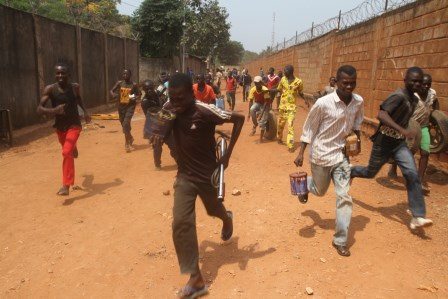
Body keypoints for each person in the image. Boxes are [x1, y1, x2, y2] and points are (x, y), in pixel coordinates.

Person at [164, 74, 244, 298]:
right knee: (181, 221)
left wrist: (227, 155)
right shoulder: (168, 107)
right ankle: (195, 278)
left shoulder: (205, 110)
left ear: (191, 94)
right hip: (185, 177)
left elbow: (238, 119)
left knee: (213, 209)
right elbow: (157, 131)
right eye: (172, 98)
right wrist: (169, 142)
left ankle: (226, 217)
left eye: (180, 98)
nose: (176, 103)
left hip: (207, 175)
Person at [351, 67, 433, 230]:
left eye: (419, 81)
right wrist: (402, 130)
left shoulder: (414, 100)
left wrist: (405, 134)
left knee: (411, 174)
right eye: (413, 81)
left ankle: (417, 216)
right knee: (370, 172)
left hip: (399, 144)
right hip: (384, 142)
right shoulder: (399, 96)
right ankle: (352, 171)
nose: (416, 84)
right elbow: (381, 115)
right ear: (405, 80)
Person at [294, 65, 364, 257]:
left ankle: (340, 240)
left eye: (352, 83)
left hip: (341, 156)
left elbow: (357, 123)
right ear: (337, 83)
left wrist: (356, 143)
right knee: (320, 190)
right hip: (321, 155)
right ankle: (304, 185)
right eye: (345, 83)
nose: (349, 87)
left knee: (344, 196)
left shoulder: (358, 101)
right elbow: (309, 128)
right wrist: (301, 153)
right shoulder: (323, 103)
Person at [37, 62, 91, 196]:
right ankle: (73, 147)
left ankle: (66, 185)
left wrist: (85, 112)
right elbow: (39, 109)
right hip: (60, 127)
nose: (60, 75)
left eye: (63, 73)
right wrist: (53, 110)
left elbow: (78, 99)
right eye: (57, 73)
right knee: (68, 150)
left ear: (68, 75)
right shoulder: (50, 89)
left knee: (66, 152)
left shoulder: (74, 87)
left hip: (74, 125)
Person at [388, 73, 437, 194]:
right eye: (423, 84)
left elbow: (435, 104)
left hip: (424, 126)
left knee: (425, 152)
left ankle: (418, 181)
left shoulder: (432, 93)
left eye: (428, 84)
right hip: (409, 126)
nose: (425, 87)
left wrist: (435, 117)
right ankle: (393, 166)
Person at [110, 69, 141, 152]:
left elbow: (139, 95)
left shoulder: (134, 85)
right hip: (121, 107)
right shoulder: (119, 83)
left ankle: (127, 143)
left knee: (126, 123)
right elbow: (111, 91)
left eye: (126, 74)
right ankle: (130, 137)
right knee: (124, 125)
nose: (125, 75)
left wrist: (133, 97)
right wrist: (114, 95)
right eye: (123, 74)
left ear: (130, 75)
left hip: (130, 107)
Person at [276, 65, 304, 152]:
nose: (284, 72)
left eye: (285, 71)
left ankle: (290, 145)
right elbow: (279, 90)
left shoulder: (299, 81)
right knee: (280, 125)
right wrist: (269, 91)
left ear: (290, 71)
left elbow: (300, 92)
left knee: (290, 126)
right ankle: (279, 137)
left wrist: (305, 99)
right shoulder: (283, 79)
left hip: (292, 108)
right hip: (282, 107)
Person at [141, 80, 165, 170]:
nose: (149, 91)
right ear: (144, 90)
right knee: (157, 144)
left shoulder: (158, 95)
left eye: (151, 89)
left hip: (165, 121)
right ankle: (157, 164)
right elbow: (154, 114)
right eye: (147, 90)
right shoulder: (145, 102)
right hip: (154, 122)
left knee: (174, 143)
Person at [247, 76, 271, 142]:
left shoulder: (265, 89)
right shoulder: (253, 89)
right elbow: (251, 101)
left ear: (261, 82)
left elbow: (266, 102)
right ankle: (255, 124)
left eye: (257, 83)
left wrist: (261, 114)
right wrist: (249, 114)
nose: (256, 84)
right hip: (258, 103)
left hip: (265, 105)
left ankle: (261, 139)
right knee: (252, 109)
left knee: (262, 121)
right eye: (255, 83)